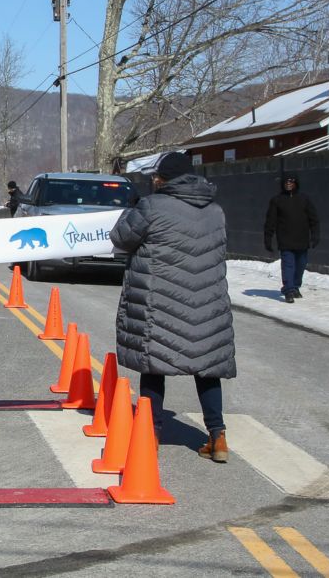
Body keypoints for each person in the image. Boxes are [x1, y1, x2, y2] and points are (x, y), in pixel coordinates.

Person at [110, 152, 236, 463]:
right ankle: (217, 437)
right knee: (207, 370)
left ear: (162, 179)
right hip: (207, 303)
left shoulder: (152, 207)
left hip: (159, 301)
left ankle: (149, 434)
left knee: (154, 366)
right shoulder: (216, 211)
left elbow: (121, 237)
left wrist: (134, 209)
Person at [264, 173, 320, 304]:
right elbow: (270, 221)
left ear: (296, 183)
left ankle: (295, 286)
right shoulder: (277, 200)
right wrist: (268, 238)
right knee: (288, 265)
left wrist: (315, 235)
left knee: (300, 265)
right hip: (285, 240)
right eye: (286, 182)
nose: (288, 184)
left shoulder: (304, 199)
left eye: (291, 181)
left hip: (302, 240)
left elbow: (314, 219)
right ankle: (288, 290)